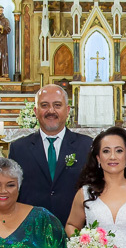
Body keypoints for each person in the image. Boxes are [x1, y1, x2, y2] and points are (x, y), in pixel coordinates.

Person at [8, 84, 92, 219]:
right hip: (32, 230)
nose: (51, 111)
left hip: (75, 229)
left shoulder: (87, 146)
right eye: (44, 105)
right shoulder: (18, 148)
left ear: (68, 110)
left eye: (57, 105)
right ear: (35, 111)